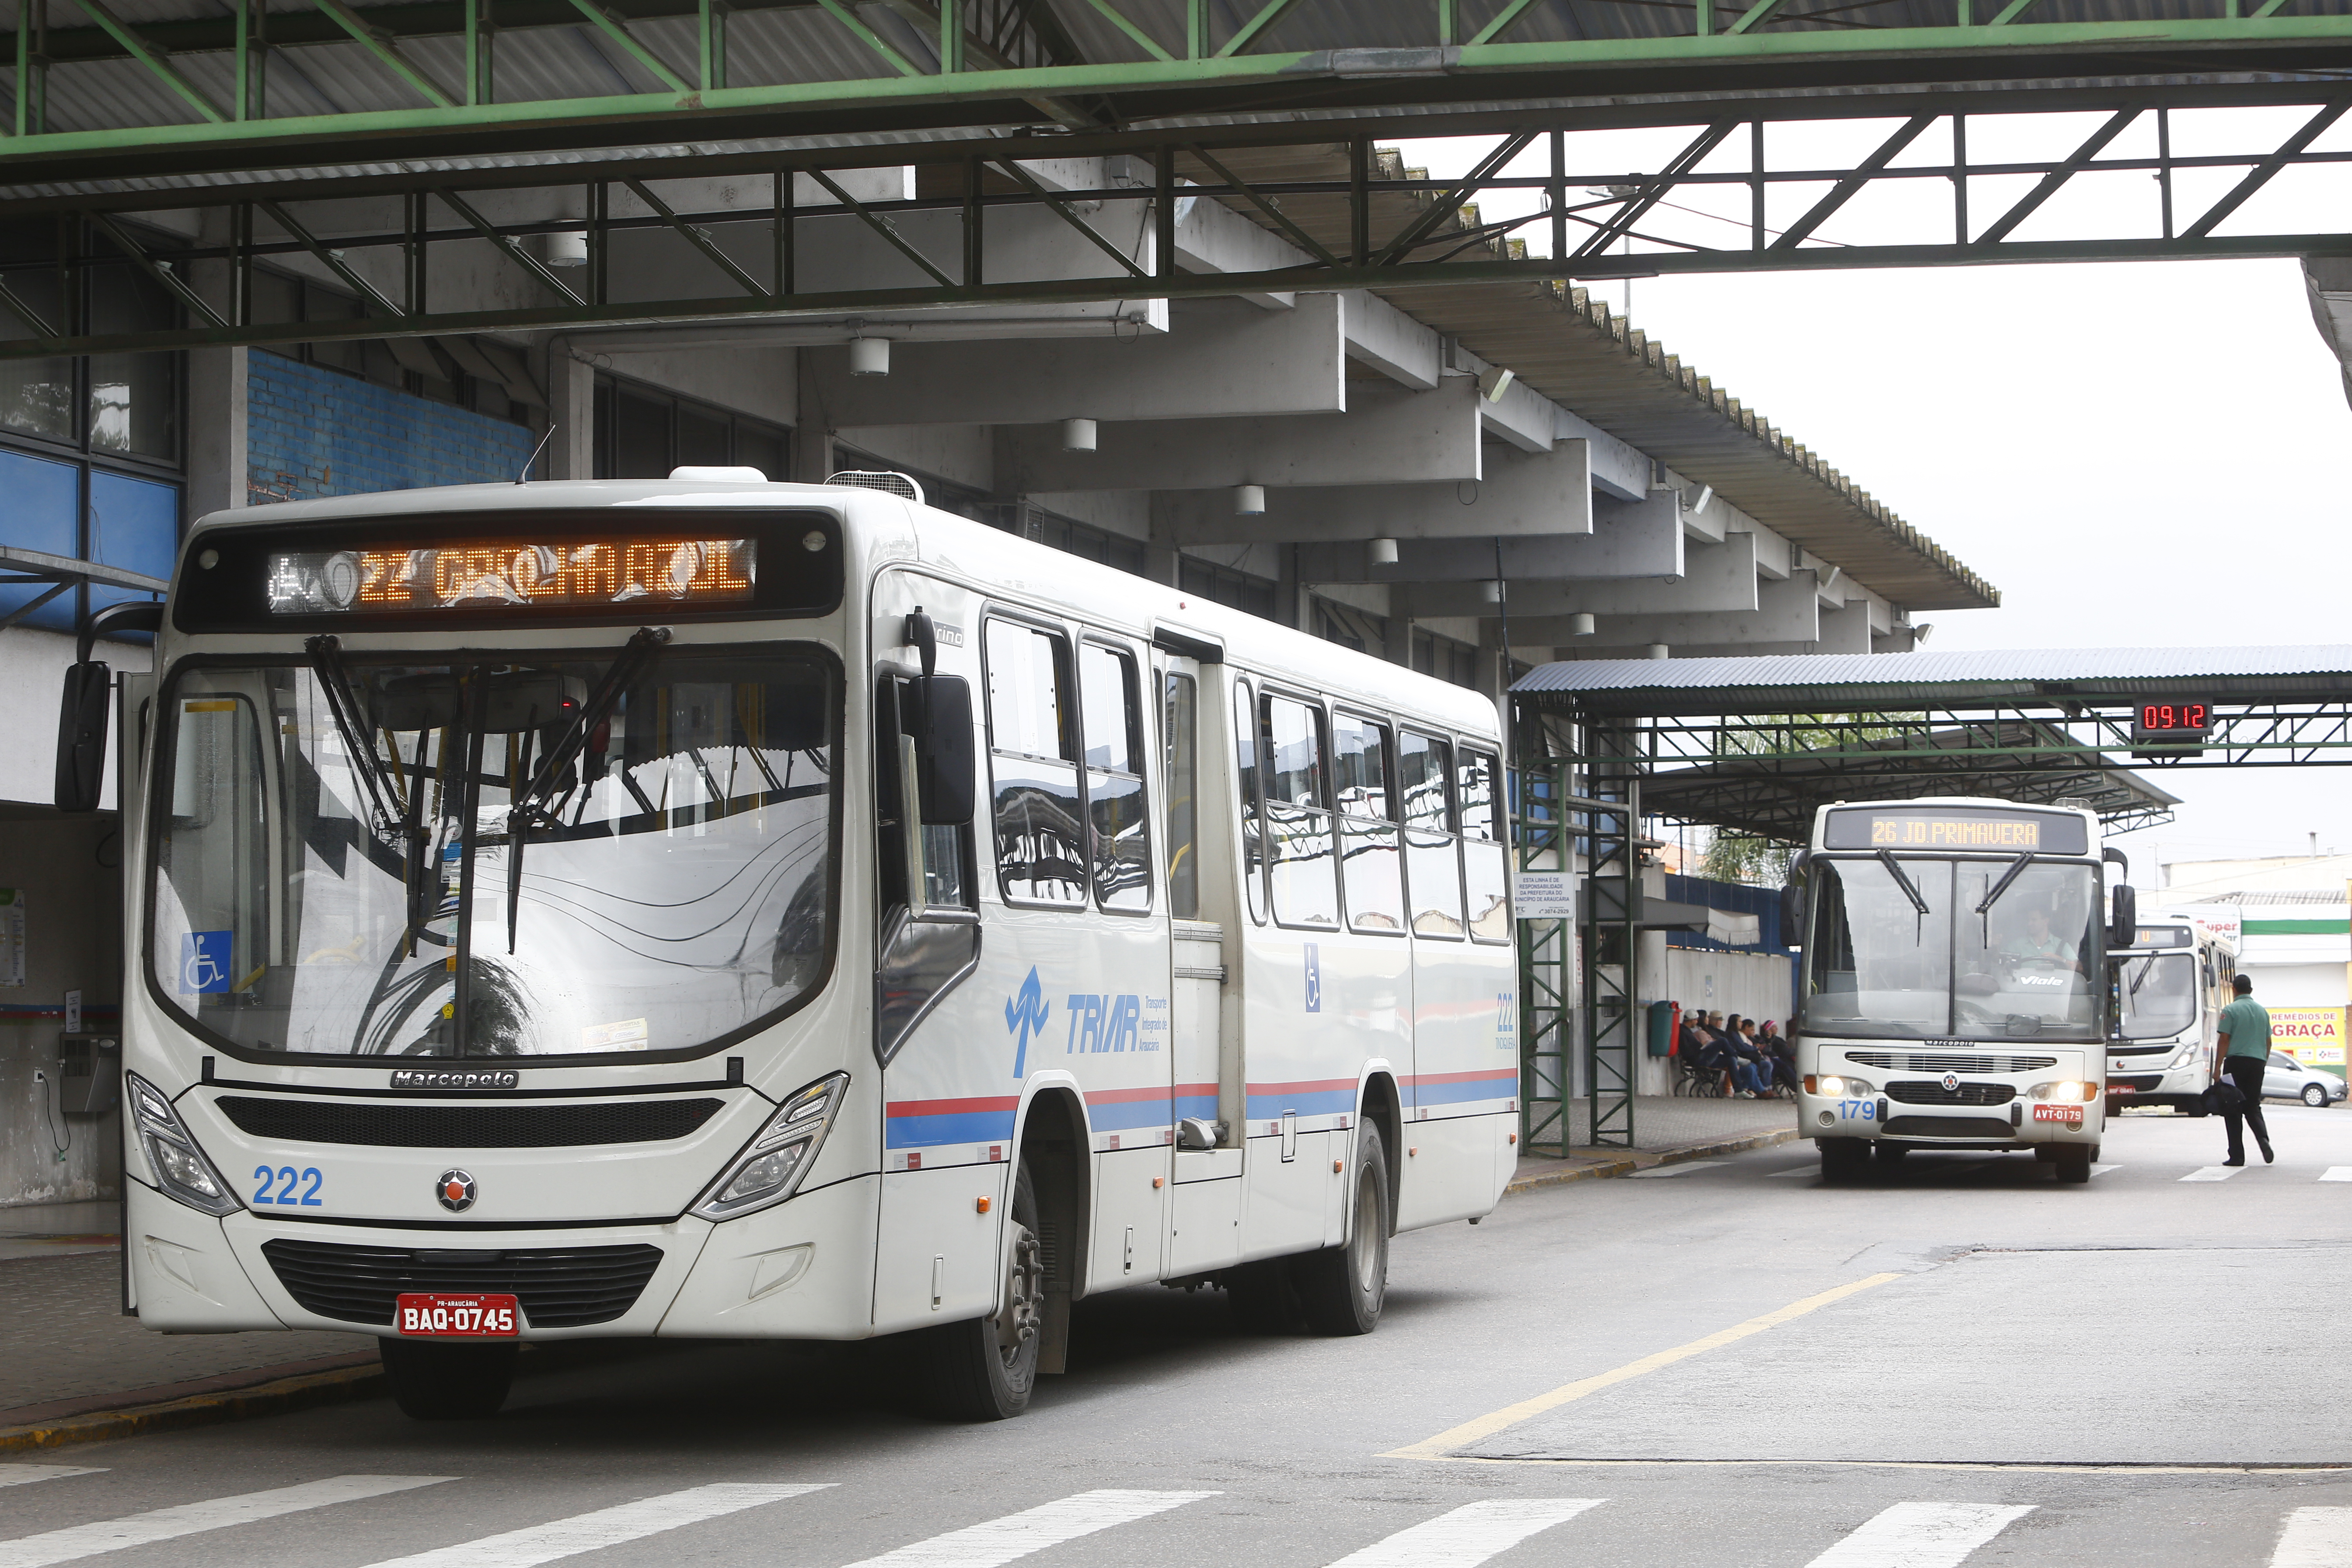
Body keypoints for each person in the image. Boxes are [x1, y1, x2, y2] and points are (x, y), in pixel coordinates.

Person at [2216, 972, 2275, 1166]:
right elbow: (2269, 1042)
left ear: (2234, 989)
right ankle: (2263, 1140)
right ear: (2251, 990)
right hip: (2257, 1063)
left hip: (2235, 1064)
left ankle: (2237, 1156)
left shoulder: (2230, 1010)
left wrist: (2217, 1068)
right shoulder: (2262, 1012)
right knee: (2252, 1106)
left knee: (2233, 1108)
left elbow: (2224, 1039)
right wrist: (2262, 1063)